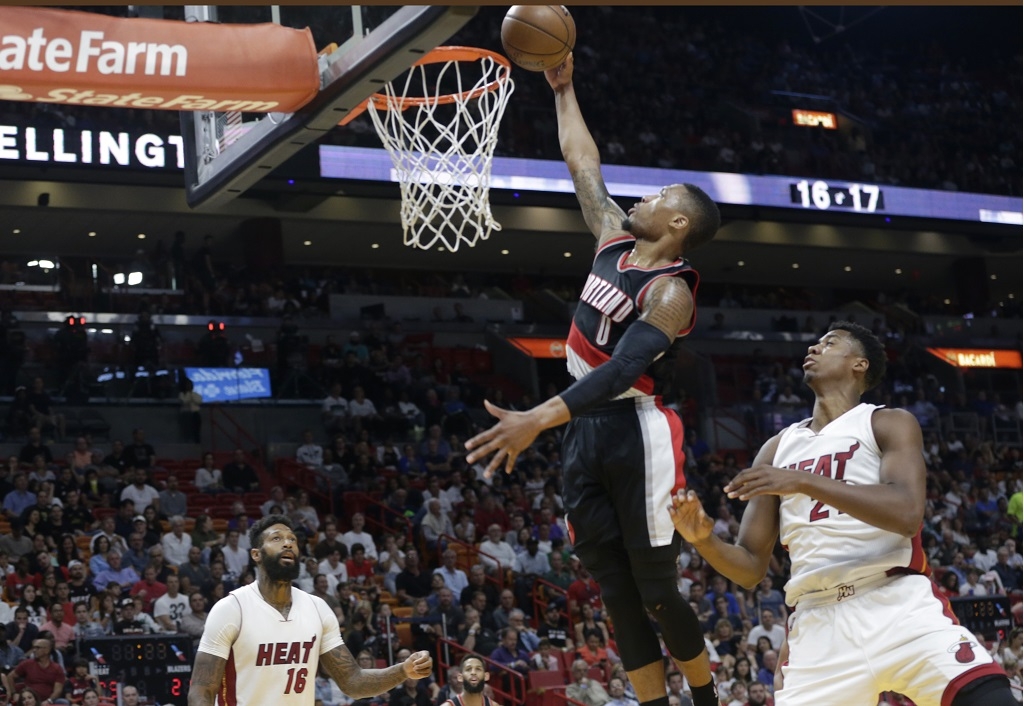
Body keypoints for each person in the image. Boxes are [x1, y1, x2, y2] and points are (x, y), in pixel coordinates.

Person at [465, 52, 720, 706]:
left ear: (678, 224)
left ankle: (707, 699)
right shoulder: (611, 236)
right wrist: (563, 89)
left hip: (636, 429)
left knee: (656, 592)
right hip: (581, 430)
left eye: (657, 197)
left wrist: (537, 417)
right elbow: (582, 162)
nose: (641, 198)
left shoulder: (671, 293)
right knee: (616, 594)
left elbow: (623, 371)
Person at [669, 322, 1015, 706]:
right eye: (815, 343)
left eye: (829, 343)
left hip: (896, 601)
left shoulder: (886, 422)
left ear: (859, 364)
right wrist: (704, 540)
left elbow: (907, 513)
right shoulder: (776, 448)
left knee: (991, 700)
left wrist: (802, 480)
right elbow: (750, 568)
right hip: (818, 623)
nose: (814, 348)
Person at [188, 514, 434, 706]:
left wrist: (403, 670)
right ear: (256, 555)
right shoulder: (232, 608)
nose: (288, 543)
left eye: (292, 540)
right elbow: (201, 691)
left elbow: (353, 682)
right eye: (277, 539)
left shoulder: (317, 608)